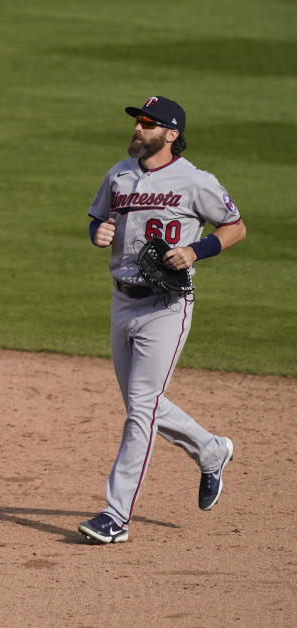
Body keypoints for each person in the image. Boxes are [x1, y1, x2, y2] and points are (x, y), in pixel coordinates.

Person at [78, 96, 246, 544]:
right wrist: (98, 231)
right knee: (143, 405)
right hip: (122, 301)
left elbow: (234, 226)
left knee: (140, 410)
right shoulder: (119, 174)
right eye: (137, 120)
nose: (138, 128)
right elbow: (97, 216)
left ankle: (116, 516)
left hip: (165, 306)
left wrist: (195, 250)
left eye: (148, 123)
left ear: (171, 134)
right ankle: (211, 451)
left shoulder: (196, 182)